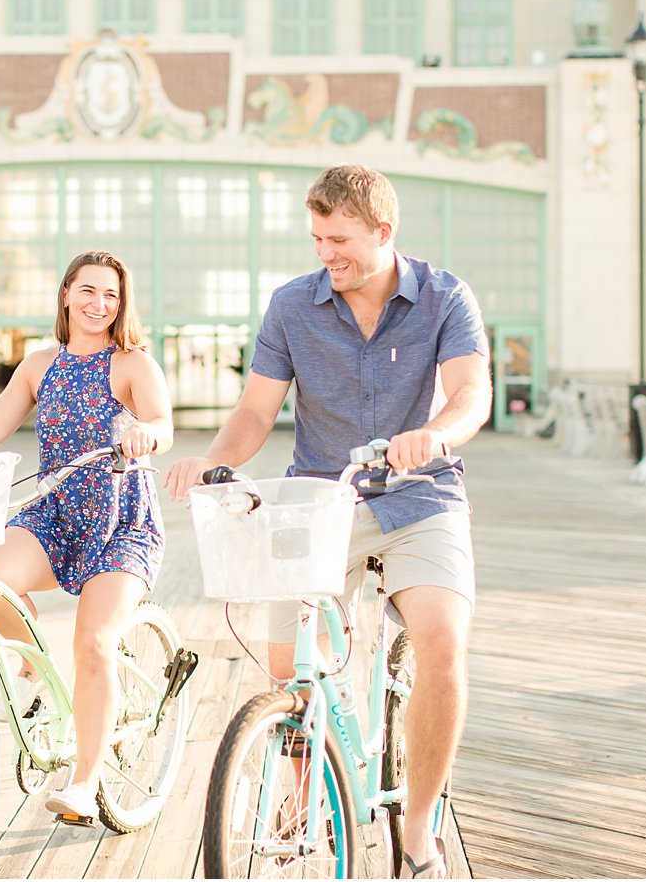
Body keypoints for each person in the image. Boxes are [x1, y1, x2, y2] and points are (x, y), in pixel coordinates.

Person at [165, 164, 492, 879]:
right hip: (319, 502)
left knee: (440, 642)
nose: (326, 253)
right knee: (290, 671)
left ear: (384, 230)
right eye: (317, 238)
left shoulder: (444, 298)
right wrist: (213, 462)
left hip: (420, 498)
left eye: (339, 239)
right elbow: (255, 412)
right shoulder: (292, 306)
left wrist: (437, 432)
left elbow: (472, 393)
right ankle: (303, 788)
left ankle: (419, 828)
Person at [0, 249, 173, 823]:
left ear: (122, 305)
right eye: (88, 291)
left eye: (111, 295)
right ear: (66, 294)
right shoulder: (39, 365)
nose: (99, 304)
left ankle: (83, 784)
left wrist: (144, 434)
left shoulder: (132, 364)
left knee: (95, 643)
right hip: (54, 510)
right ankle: (34, 668)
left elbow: (164, 426)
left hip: (120, 516)